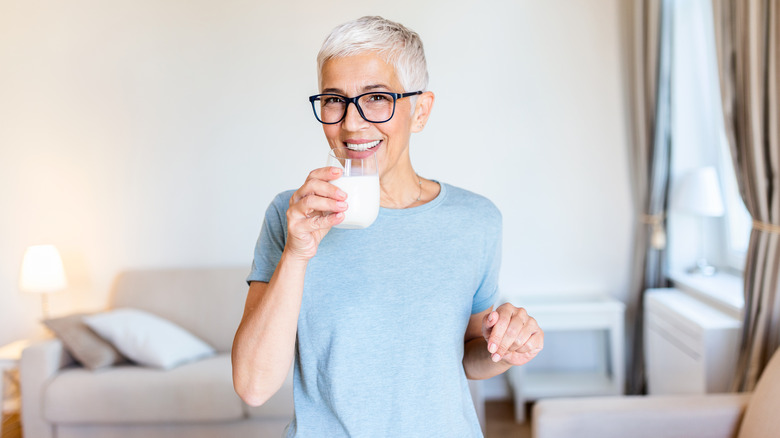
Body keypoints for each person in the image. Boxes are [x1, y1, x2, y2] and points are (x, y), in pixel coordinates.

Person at [232, 15, 543, 437]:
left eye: (376, 97)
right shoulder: (290, 216)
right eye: (333, 99)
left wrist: (506, 350)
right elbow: (253, 386)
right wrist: (297, 253)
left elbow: (468, 357)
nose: (351, 123)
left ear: (420, 110)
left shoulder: (476, 220)